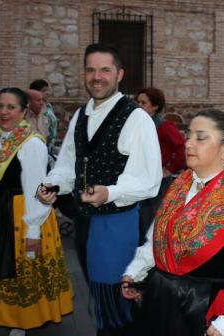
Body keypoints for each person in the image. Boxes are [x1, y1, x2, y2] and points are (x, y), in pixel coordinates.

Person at [37, 43, 162, 336]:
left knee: (118, 300)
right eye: (91, 69)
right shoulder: (82, 114)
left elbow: (149, 179)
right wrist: (54, 183)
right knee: (98, 294)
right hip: (85, 223)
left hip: (118, 224)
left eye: (105, 69)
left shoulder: (136, 118)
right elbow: (69, 162)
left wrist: (109, 192)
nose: (97, 76)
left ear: (119, 74)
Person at [122, 109, 224, 336]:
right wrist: (136, 271)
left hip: (206, 309)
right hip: (164, 299)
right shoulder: (182, 184)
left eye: (201, 137)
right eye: (188, 135)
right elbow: (159, 236)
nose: (188, 143)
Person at [0, 88, 73, 335]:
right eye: (0, 106)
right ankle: (1, 311)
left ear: (23, 111)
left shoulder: (31, 144)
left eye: (10, 107)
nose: (3, 112)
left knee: (20, 266)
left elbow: (36, 189)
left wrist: (33, 231)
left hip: (23, 212)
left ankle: (23, 318)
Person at [136, 87, 185, 239]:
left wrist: (169, 169)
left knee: (153, 224)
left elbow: (183, 148)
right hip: (140, 180)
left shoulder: (164, 126)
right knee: (141, 223)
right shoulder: (138, 125)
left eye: (143, 102)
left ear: (155, 106)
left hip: (159, 183)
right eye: (137, 102)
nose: (139, 106)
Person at [29, 79, 58, 152]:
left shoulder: (49, 106)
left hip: (50, 145)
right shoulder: (31, 111)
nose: (47, 93)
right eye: (44, 90)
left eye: (47, 90)